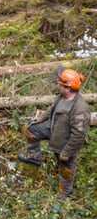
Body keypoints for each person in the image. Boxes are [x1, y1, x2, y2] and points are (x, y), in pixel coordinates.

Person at [18, 67, 91, 199]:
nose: (58, 86)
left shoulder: (80, 109)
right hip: (53, 128)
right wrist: (41, 117)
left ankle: (64, 192)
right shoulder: (62, 97)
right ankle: (34, 157)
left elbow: (79, 135)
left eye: (61, 85)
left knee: (65, 167)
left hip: (65, 141)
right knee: (31, 128)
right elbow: (52, 109)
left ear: (68, 88)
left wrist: (67, 151)